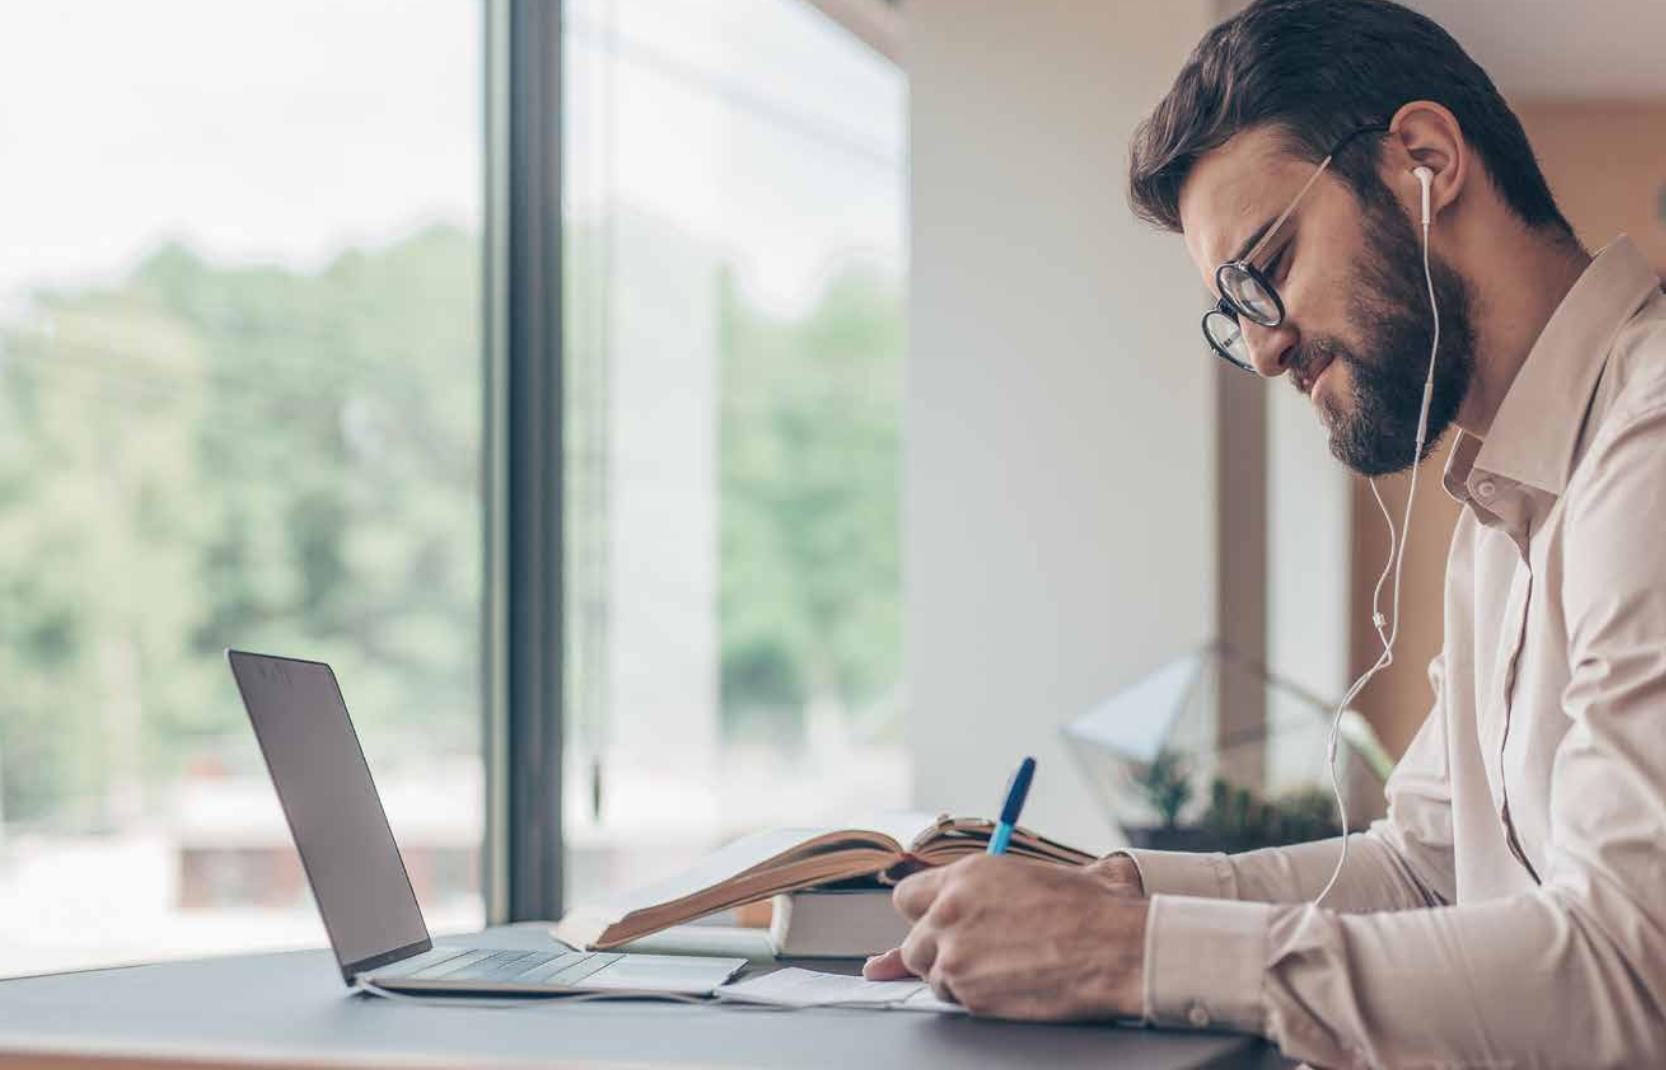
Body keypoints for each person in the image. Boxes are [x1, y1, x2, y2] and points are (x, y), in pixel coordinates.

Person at [862, 0, 1666, 1065]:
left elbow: (1632, 972)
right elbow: (1425, 863)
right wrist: (1114, 891)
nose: (1267, 349)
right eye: (1234, 310)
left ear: (1423, 159)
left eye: (1268, 266)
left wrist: (1129, 951)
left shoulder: (1647, 444)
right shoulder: (1508, 501)